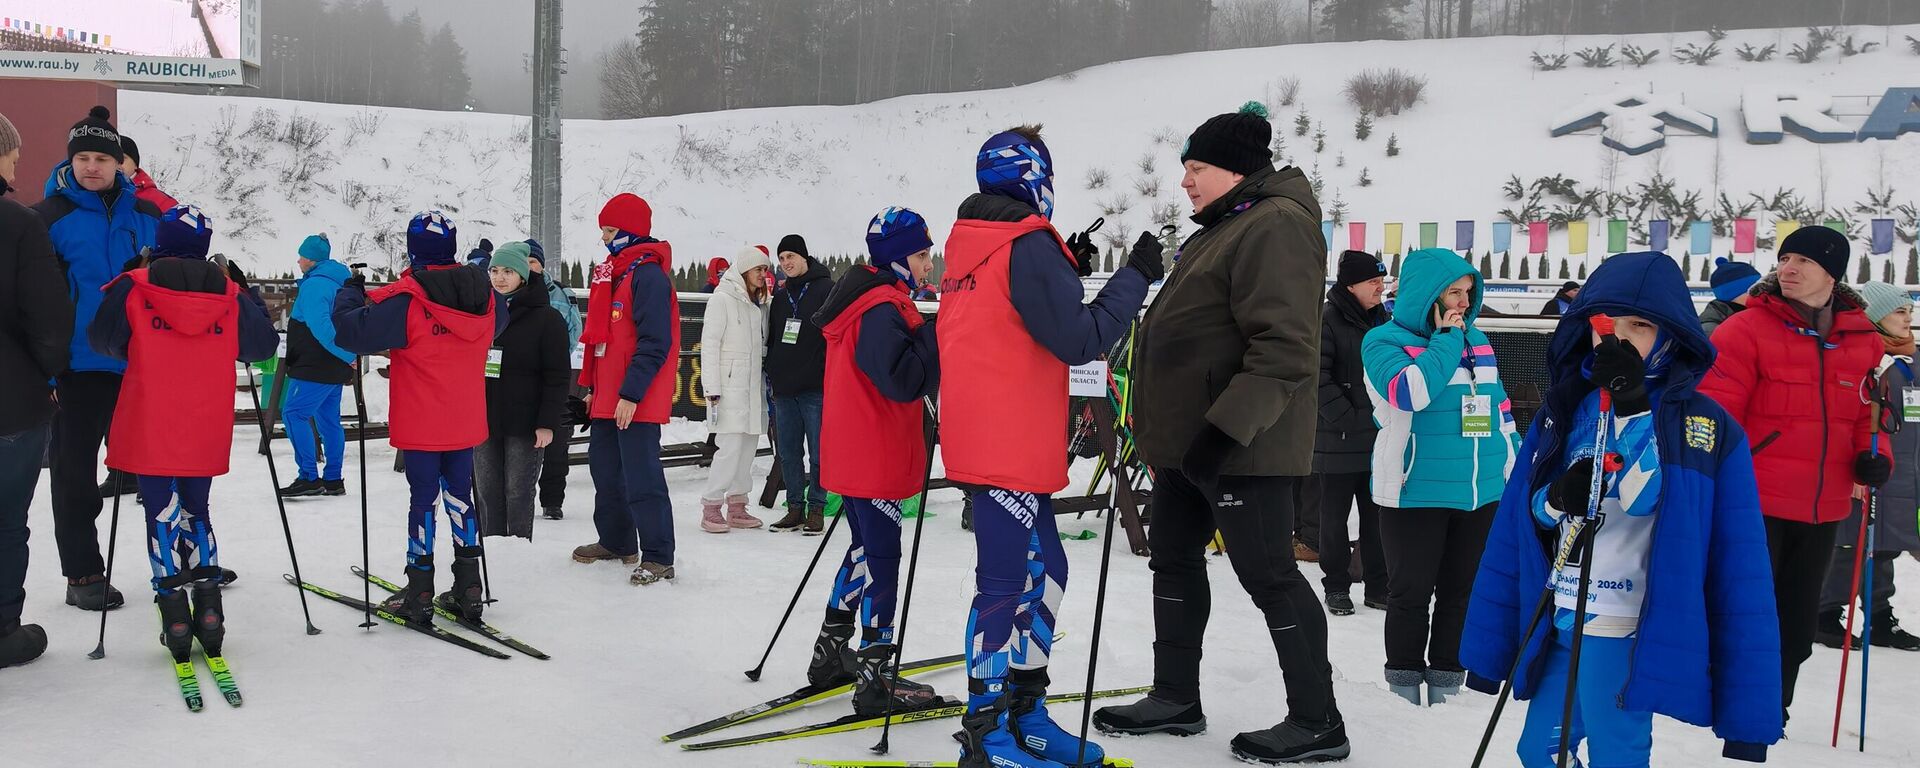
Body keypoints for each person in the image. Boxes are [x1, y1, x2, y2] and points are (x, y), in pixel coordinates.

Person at [1460, 250, 1782, 768]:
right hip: (1563, 606)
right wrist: (1556, 498)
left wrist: (1632, 404)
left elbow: (1647, 498)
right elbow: (1530, 519)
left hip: (1622, 619)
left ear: (1672, 334)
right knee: (1538, 750)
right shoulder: (1567, 407)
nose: (1619, 338)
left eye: (1640, 325)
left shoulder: (1699, 421)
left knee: (1617, 750)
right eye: (1604, 324)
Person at [1096, 102, 1345, 765]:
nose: (1186, 181)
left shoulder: (1276, 227)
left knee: (1269, 576)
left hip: (1242, 449)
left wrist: (1221, 435)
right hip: (1185, 447)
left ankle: (1318, 721)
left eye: (1197, 167)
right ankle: (1174, 695)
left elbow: (1285, 352)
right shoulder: (1223, 226)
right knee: (1173, 562)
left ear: (1235, 170)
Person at [937, 124, 1154, 768]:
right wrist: (1136, 276)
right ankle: (986, 732)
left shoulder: (969, 238)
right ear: (1038, 179)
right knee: (1008, 583)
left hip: (995, 430)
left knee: (1045, 572)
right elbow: (1082, 338)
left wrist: (1065, 270)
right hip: (1007, 436)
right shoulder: (1026, 242)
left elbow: (1013, 309)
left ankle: (1023, 710)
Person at [1696, 226, 1886, 724]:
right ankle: (1736, 703)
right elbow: (1714, 414)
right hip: (1754, 498)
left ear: (1832, 272)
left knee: (1798, 620)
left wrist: (1875, 454)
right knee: (1747, 611)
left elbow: (1871, 413)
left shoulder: (1862, 338)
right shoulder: (1744, 329)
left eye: (1803, 260)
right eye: (1784, 258)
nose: (1788, 268)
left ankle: (1774, 705)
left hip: (1824, 503)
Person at [89, 205, 276, 664]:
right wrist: (244, 294)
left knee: (160, 510)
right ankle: (208, 609)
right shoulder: (229, 296)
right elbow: (261, 347)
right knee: (196, 507)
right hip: (204, 420)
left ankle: (174, 613)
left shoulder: (135, 286)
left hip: (150, 416)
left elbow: (103, 340)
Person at [1361, 247, 1518, 707]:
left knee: (1460, 595)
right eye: (1454, 292)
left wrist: (1513, 468)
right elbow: (1411, 393)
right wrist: (1447, 341)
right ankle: (1403, 694)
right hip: (1416, 493)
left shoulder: (1480, 340)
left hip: (1480, 493)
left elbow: (1499, 410)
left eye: (1469, 292)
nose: (1464, 303)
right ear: (1427, 294)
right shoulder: (1382, 341)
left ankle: (1447, 689)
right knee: (1410, 595)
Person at [803, 206, 943, 715]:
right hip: (874, 454)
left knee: (865, 551)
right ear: (899, 258)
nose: (929, 266)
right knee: (882, 558)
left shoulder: (866, 301)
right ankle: (874, 676)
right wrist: (937, 334)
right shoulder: (880, 307)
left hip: (855, 451)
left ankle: (830, 654)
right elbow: (902, 380)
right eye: (923, 255)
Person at [333, 211, 505, 622]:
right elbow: (501, 322)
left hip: (421, 420)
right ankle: (469, 586)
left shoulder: (408, 301)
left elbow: (350, 331)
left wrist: (350, 291)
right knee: (460, 496)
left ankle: (421, 588)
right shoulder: (485, 297)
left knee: (422, 501)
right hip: (464, 419)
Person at [35, 105, 162, 612]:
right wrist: (44, 368)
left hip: (141, 366)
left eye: (102, 158)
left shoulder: (149, 218)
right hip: (77, 367)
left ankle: (180, 560)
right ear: (71, 162)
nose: (92, 166)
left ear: (120, 164)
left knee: (164, 469)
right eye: (83, 157)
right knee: (75, 476)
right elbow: (34, 301)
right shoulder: (47, 218)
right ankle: (83, 571)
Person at [572, 194, 680, 586]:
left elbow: (654, 342)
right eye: (602, 229)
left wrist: (631, 394)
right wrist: (592, 389)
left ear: (632, 230)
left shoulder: (647, 275)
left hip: (635, 398)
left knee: (642, 477)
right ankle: (617, 541)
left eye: (611, 229)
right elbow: (603, 342)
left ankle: (658, 555)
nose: (603, 237)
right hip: (608, 397)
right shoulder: (613, 273)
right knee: (606, 472)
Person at [0, 112, 71, 669]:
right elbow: (47, 319)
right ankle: (2, 627)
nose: (15, 167)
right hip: (11, 403)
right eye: (13, 157)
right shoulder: (19, 224)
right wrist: (52, 373)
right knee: (4, 517)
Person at [1815, 281, 1920, 651]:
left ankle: (1879, 614)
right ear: (1875, 317)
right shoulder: (1867, 358)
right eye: (1898, 312)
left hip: (1906, 471)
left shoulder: (1913, 360)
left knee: (1885, 546)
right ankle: (1826, 612)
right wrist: (1855, 467)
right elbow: (1846, 415)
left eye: (1909, 312)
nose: (1907, 320)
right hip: (1868, 469)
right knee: (1852, 544)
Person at [474, 242, 571, 539]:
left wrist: (547, 423)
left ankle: (517, 553)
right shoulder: (480, 313)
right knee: (486, 490)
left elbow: (557, 376)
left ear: (523, 275)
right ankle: (491, 549)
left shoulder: (547, 319)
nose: (500, 278)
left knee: (517, 491)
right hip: (482, 419)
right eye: (494, 270)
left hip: (525, 423)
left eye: (508, 271)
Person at [1317, 250, 1391, 616]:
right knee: (1333, 519)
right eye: (1373, 281)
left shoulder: (1384, 321)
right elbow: (1317, 379)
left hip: (1378, 439)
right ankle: (1335, 586)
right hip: (1337, 440)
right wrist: (1346, 418)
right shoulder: (1328, 320)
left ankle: (1379, 587)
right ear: (1351, 285)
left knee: (1378, 518)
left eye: (1382, 280)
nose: (1381, 287)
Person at [699, 246, 771, 532]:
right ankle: (711, 504)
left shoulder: (759, 303)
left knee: (747, 447)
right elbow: (710, 345)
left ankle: (738, 504)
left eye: (765, 270)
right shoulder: (722, 300)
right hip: (728, 388)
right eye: (758, 269)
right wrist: (712, 388)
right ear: (744, 270)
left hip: (752, 387)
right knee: (728, 448)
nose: (763, 275)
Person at [277, 234, 354, 497]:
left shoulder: (315, 286)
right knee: (329, 420)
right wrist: (346, 356)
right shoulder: (337, 281)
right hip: (331, 366)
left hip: (315, 364)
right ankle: (333, 478)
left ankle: (308, 476)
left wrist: (347, 355)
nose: (298, 260)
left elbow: (321, 328)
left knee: (293, 413)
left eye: (301, 256)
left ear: (311, 259)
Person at [766, 233, 833, 533]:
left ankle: (817, 508)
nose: (786, 263)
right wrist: (773, 374)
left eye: (790, 256)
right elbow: (774, 338)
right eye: (781, 259)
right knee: (789, 453)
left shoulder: (827, 289)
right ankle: (795, 506)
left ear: (804, 256)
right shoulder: (780, 298)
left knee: (819, 452)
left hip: (815, 387)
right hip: (784, 389)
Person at [524, 239, 583, 520]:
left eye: (533, 262)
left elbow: (575, 330)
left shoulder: (561, 293)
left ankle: (552, 500)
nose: (528, 267)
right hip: (521, 381)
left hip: (555, 378)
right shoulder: (506, 293)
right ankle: (520, 500)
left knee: (558, 441)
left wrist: (553, 355)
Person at [116, 132, 178, 212]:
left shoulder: (161, 202)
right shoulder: (97, 196)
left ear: (135, 164)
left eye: (122, 158)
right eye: (109, 159)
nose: (116, 163)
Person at [1700, 258, 1760, 336]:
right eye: (1754, 291)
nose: (1760, 295)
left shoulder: (1749, 318)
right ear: (1733, 295)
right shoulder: (1712, 331)